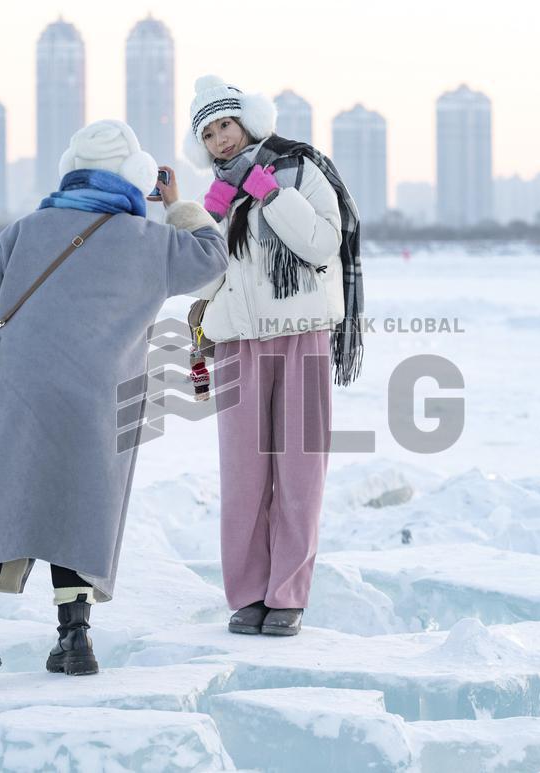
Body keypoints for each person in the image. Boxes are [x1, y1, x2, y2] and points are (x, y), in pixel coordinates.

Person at [0, 119, 228, 687]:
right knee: (84, 501)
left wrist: (18, 333)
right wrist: (176, 204)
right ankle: (75, 640)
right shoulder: (153, 242)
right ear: (136, 177)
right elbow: (212, 259)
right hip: (101, 392)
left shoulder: (29, 228)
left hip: (19, 384)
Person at [181, 76, 364, 637]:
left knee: (299, 473)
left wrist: (270, 195)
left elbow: (321, 244)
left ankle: (287, 595)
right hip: (238, 342)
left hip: (302, 333)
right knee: (242, 478)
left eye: (226, 126)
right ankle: (247, 595)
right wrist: (186, 216)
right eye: (208, 134)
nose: (220, 141)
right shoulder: (216, 196)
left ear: (248, 122)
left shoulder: (301, 169)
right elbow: (206, 274)